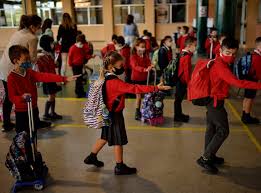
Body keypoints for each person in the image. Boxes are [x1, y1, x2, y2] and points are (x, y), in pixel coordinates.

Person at [83, 51, 171, 175]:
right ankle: (119, 166)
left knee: (105, 136)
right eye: (120, 66)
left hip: (106, 113)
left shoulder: (103, 78)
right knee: (118, 140)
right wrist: (155, 88)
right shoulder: (114, 82)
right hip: (115, 115)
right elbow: (135, 88)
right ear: (111, 67)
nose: (122, 68)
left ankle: (91, 157)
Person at [196, 37, 261, 174]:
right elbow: (239, 83)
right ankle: (205, 158)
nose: (230, 56)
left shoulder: (218, 59)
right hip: (214, 102)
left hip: (212, 99)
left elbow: (218, 49)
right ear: (221, 50)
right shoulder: (221, 67)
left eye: (233, 54)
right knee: (223, 131)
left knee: (211, 129)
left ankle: (209, 155)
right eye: (227, 53)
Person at [7, 45, 79, 133]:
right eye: (25, 59)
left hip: (34, 109)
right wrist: (22, 97)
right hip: (22, 112)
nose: (28, 61)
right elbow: (12, 97)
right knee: (22, 136)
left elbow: (45, 76)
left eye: (28, 58)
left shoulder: (30, 73)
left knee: (33, 133)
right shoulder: (11, 78)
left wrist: (64, 78)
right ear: (16, 61)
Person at [0, 14, 42, 132]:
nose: (40, 29)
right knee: (26, 93)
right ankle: (33, 121)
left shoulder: (17, 32)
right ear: (32, 26)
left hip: (4, 66)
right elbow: (32, 59)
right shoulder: (32, 37)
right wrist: (40, 57)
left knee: (9, 97)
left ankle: (6, 123)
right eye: (39, 26)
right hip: (14, 68)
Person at [36, 35, 63, 120]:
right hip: (48, 79)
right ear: (47, 44)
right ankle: (46, 114)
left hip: (52, 77)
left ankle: (52, 112)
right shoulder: (42, 56)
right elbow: (43, 69)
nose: (52, 45)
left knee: (53, 95)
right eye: (51, 43)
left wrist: (55, 64)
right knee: (51, 96)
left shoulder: (49, 54)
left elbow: (52, 65)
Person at [174, 37, 197, 122]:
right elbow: (186, 72)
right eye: (195, 45)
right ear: (189, 45)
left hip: (179, 80)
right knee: (178, 100)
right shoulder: (187, 57)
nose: (195, 47)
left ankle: (178, 114)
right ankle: (177, 116)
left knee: (178, 100)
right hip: (182, 81)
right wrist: (189, 84)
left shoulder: (181, 53)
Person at [130, 38, 153, 120]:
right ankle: (137, 112)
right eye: (141, 47)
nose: (143, 48)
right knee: (139, 97)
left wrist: (151, 66)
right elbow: (135, 66)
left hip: (144, 78)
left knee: (146, 96)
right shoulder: (133, 57)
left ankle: (145, 110)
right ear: (136, 47)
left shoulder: (145, 56)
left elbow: (149, 62)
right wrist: (144, 69)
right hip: (136, 79)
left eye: (144, 47)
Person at [241, 37, 261, 124]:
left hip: (247, 79)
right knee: (250, 98)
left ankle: (244, 114)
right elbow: (259, 73)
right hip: (252, 80)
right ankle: (247, 117)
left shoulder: (252, 54)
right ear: (259, 46)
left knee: (246, 97)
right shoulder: (258, 58)